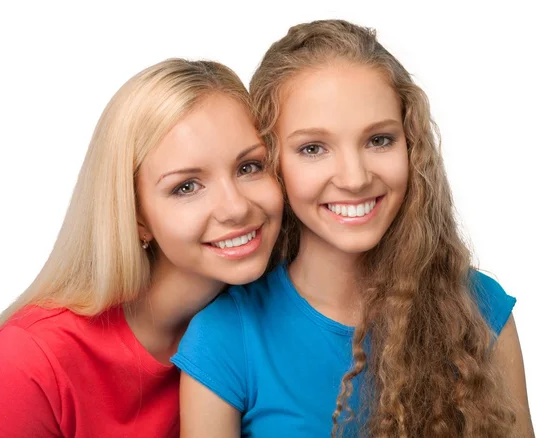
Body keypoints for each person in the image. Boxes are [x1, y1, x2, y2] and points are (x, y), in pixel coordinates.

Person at [173, 20, 534, 437]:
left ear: (412, 147)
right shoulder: (225, 337)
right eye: (313, 148)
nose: (355, 177)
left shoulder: (481, 310)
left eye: (378, 140)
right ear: (273, 163)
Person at [0, 58, 283, 438]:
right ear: (136, 215)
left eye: (250, 167)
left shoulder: (275, 323)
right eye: (186, 187)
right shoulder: (31, 359)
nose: (237, 207)